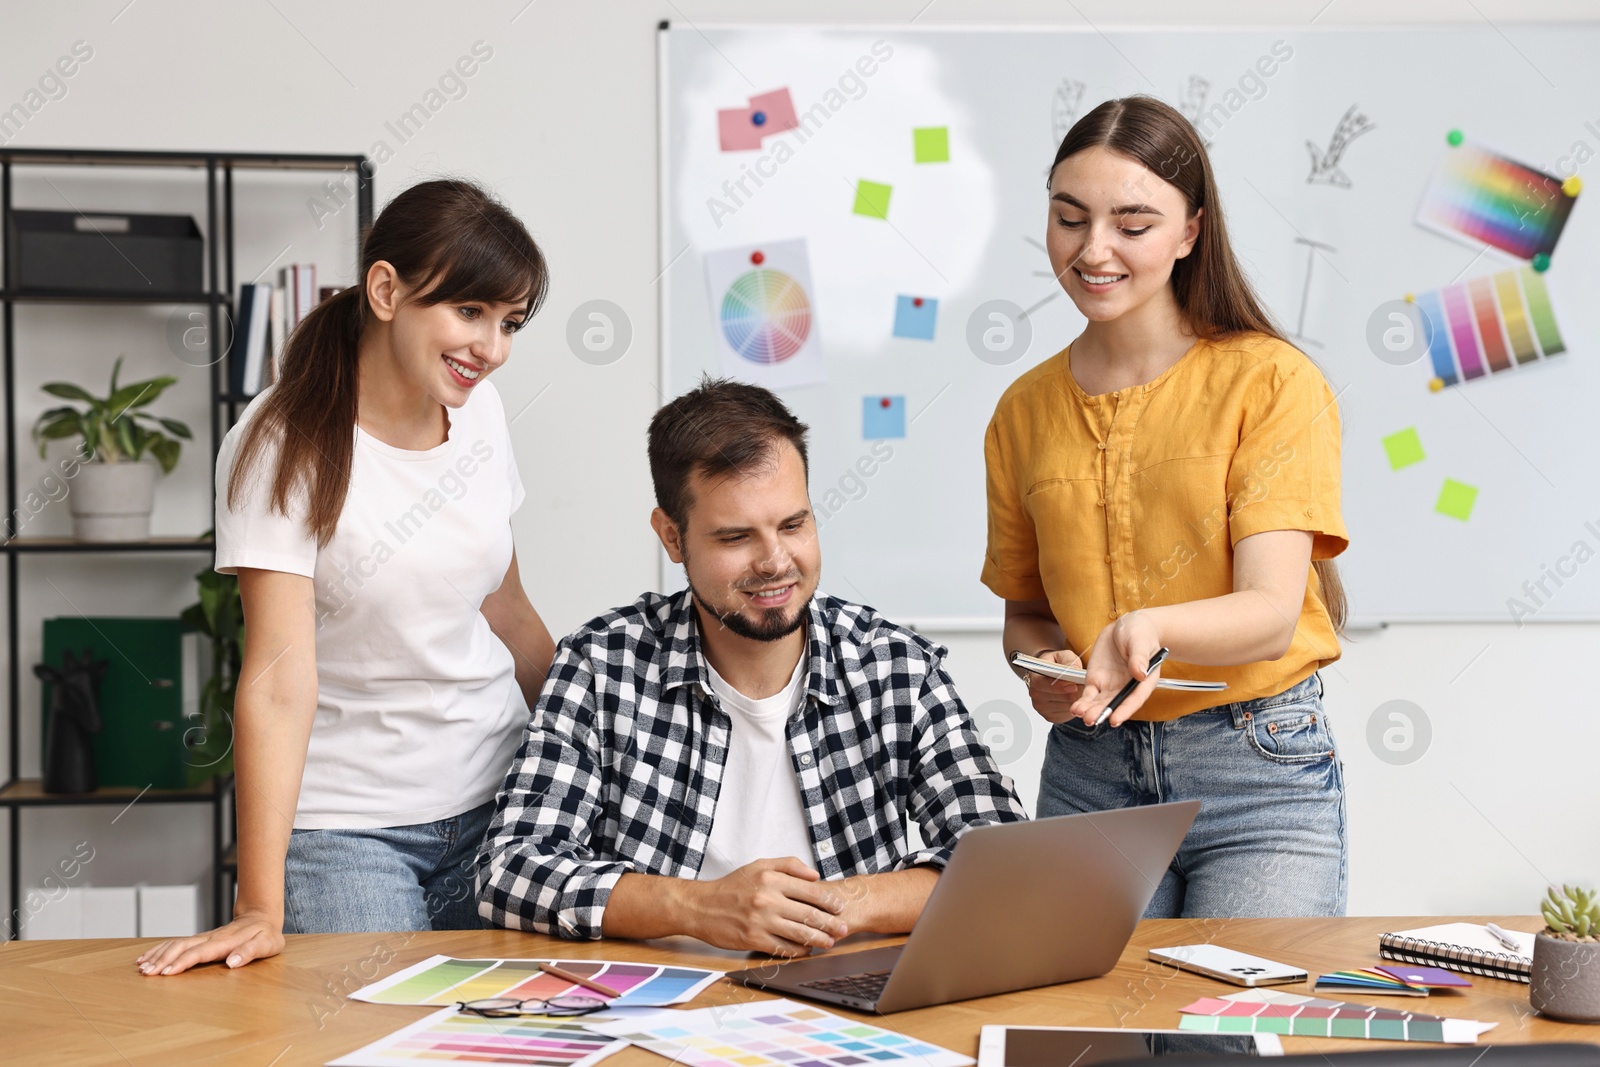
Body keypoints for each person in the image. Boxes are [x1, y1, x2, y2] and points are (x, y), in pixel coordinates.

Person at [137, 179, 557, 976]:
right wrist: (258, 904)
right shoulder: (280, 442)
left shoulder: (483, 413)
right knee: (370, 1040)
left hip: (501, 798)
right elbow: (275, 679)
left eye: (508, 323)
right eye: (470, 313)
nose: (492, 347)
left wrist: (589, 748)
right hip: (349, 829)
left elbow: (508, 609)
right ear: (387, 289)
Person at [478, 378, 1027, 954]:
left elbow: (1005, 860)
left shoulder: (895, 667)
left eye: (794, 525)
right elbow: (510, 871)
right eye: (736, 537)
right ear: (672, 536)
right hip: (660, 1004)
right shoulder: (601, 666)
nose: (775, 562)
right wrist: (701, 907)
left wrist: (832, 908)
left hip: (843, 998)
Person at [983, 96, 1350, 919]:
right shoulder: (1021, 410)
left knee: (1230, 1040)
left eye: (1132, 224)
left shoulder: (1273, 382)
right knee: (1087, 1043)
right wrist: (1046, 669)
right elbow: (1027, 614)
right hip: (1090, 771)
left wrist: (1141, 628)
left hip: (1256, 771)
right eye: (1069, 218)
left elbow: (1268, 613)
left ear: (1190, 231)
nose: (1094, 249)